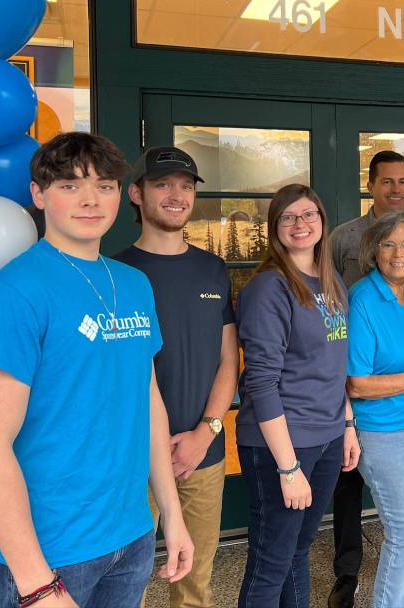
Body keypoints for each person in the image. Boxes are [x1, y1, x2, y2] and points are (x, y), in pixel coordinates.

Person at [0, 132, 194, 608]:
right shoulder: (14, 292)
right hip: (51, 553)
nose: (91, 199)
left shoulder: (133, 284)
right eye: (70, 185)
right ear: (38, 194)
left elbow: (146, 399)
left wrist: (170, 513)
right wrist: (35, 584)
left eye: (105, 185)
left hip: (130, 537)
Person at [115, 145, 239, 608]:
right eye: (163, 184)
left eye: (185, 187)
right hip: (132, 461)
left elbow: (229, 361)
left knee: (194, 583)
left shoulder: (213, 268)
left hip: (201, 454)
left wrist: (206, 434)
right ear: (136, 194)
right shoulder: (116, 273)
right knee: (128, 583)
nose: (176, 195)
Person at [235, 184, 361, 608]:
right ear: (275, 229)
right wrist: (288, 467)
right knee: (271, 559)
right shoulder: (269, 288)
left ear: (322, 222)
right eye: (288, 217)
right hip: (282, 444)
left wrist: (347, 426)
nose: (300, 224)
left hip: (325, 437)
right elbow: (261, 382)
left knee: (298, 550)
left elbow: (335, 366)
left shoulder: (331, 282)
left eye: (308, 214)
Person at [328, 149, 404, 608]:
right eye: (390, 246)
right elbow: (354, 381)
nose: (400, 253)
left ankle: (402, 583)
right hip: (380, 428)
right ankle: (350, 577)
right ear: (373, 251)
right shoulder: (359, 292)